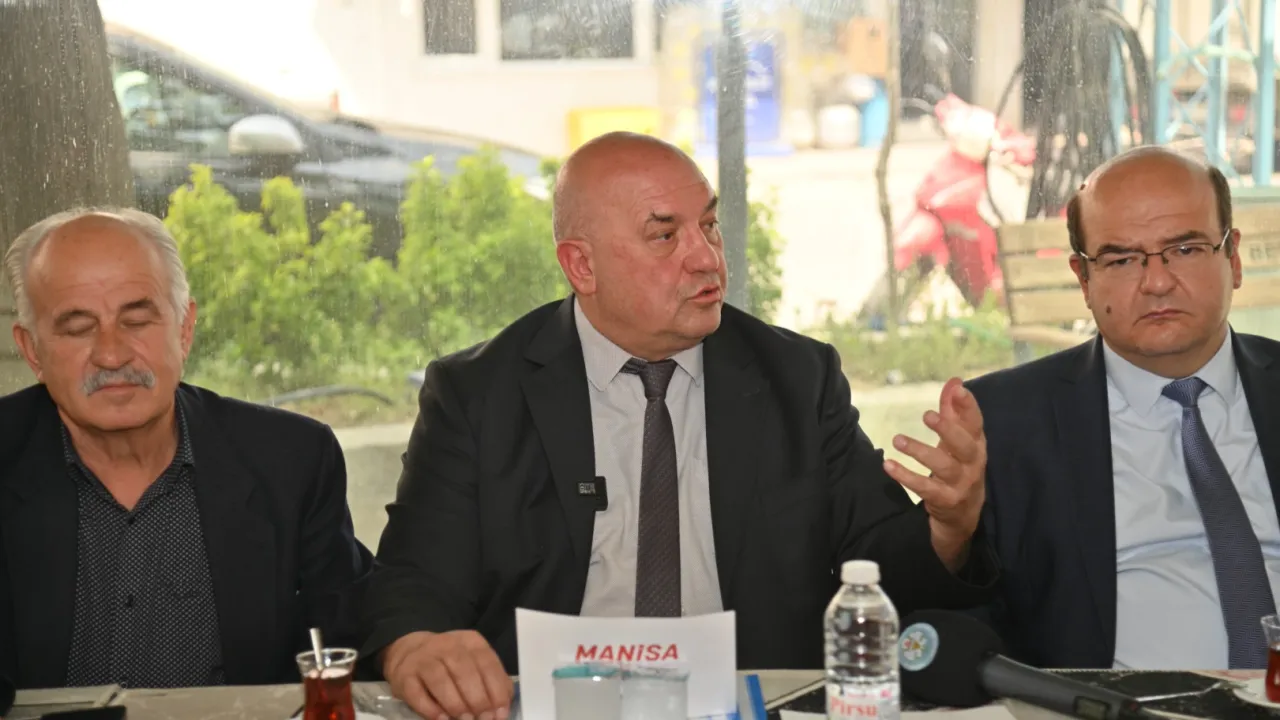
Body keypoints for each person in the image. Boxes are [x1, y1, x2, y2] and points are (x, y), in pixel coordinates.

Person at [363, 131, 998, 720]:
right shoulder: (479, 394)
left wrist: (950, 525)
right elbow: (415, 579)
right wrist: (415, 643)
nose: (706, 257)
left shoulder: (795, 378)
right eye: (665, 236)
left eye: (710, 225)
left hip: (749, 703)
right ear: (581, 266)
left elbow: (881, 568)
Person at [0, 207, 374, 690]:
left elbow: (354, 639)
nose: (111, 354)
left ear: (184, 330)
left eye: (137, 321)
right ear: (32, 351)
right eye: (78, 328)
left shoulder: (292, 461)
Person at [969, 146, 1280, 670]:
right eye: (1121, 260)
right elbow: (956, 610)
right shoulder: (1004, 422)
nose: (1157, 283)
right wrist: (947, 533)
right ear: (1084, 279)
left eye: (1185, 249)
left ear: (1233, 258)